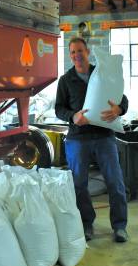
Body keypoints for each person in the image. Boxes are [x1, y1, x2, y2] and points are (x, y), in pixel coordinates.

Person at [55, 37, 129, 243]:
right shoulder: (66, 80)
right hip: (78, 139)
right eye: (72, 52)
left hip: (104, 136)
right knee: (79, 184)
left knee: (115, 182)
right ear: (70, 56)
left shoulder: (102, 73)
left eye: (80, 50)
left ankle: (120, 226)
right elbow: (59, 108)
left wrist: (119, 109)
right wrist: (73, 116)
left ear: (87, 52)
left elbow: (123, 98)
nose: (76, 55)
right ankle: (87, 223)